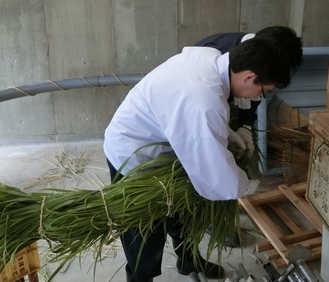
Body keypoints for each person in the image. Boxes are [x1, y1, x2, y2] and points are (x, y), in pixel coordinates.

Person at [104, 37, 298, 282]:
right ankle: (140, 279)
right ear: (249, 77)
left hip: (162, 143)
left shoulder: (210, 60)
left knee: (183, 211)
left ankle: (189, 261)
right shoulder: (202, 101)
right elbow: (213, 174)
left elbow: (193, 116)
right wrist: (244, 184)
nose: (259, 97)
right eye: (263, 91)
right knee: (144, 229)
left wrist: (229, 132)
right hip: (133, 154)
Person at [195, 26, 303, 247]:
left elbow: (252, 98)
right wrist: (239, 184)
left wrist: (244, 126)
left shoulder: (253, 70)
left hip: (223, 114)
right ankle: (211, 220)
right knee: (207, 171)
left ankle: (223, 213)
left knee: (231, 162)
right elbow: (204, 152)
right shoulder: (214, 55)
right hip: (200, 121)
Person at [196, 26, 303, 157]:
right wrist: (223, 130)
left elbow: (254, 94)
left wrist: (245, 126)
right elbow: (204, 125)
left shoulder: (254, 69)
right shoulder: (217, 57)